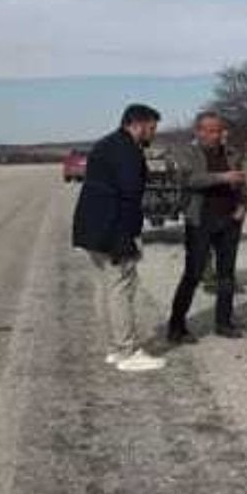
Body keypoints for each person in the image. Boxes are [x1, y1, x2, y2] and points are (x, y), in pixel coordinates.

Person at [72, 104, 167, 372]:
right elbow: (128, 197)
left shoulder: (104, 144)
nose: (153, 133)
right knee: (121, 288)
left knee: (106, 287)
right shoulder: (127, 151)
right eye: (151, 127)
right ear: (136, 124)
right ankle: (127, 351)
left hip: (92, 227)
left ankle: (115, 348)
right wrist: (125, 236)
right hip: (113, 229)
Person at [167, 112, 247, 343]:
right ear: (199, 131)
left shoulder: (232, 154)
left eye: (219, 130)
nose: (217, 135)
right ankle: (176, 326)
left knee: (226, 275)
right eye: (211, 130)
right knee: (193, 274)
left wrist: (243, 205)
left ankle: (224, 322)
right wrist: (222, 177)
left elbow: (242, 183)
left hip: (229, 221)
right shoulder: (189, 153)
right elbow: (190, 179)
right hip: (200, 221)